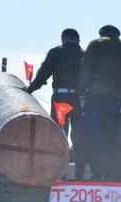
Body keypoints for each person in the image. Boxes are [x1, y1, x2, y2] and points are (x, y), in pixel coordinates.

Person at [78, 25, 121, 181]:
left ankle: (95, 172)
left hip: (95, 98)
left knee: (94, 133)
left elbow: (85, 71)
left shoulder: (96, 44)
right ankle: (109, 173)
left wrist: (82, 94)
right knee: (110, 135)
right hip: (116, 99)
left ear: (102, 34)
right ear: (117, 35)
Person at [26, 28, 88, 181]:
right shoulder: (85, 55)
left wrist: (30, 89)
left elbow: (43, 74)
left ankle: (60, 173)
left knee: (60, 135)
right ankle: (80, 174)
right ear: (77, 40)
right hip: (79, 101)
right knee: (78, 136)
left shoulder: (56, 52)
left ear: (64, 39)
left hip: (61, 101)